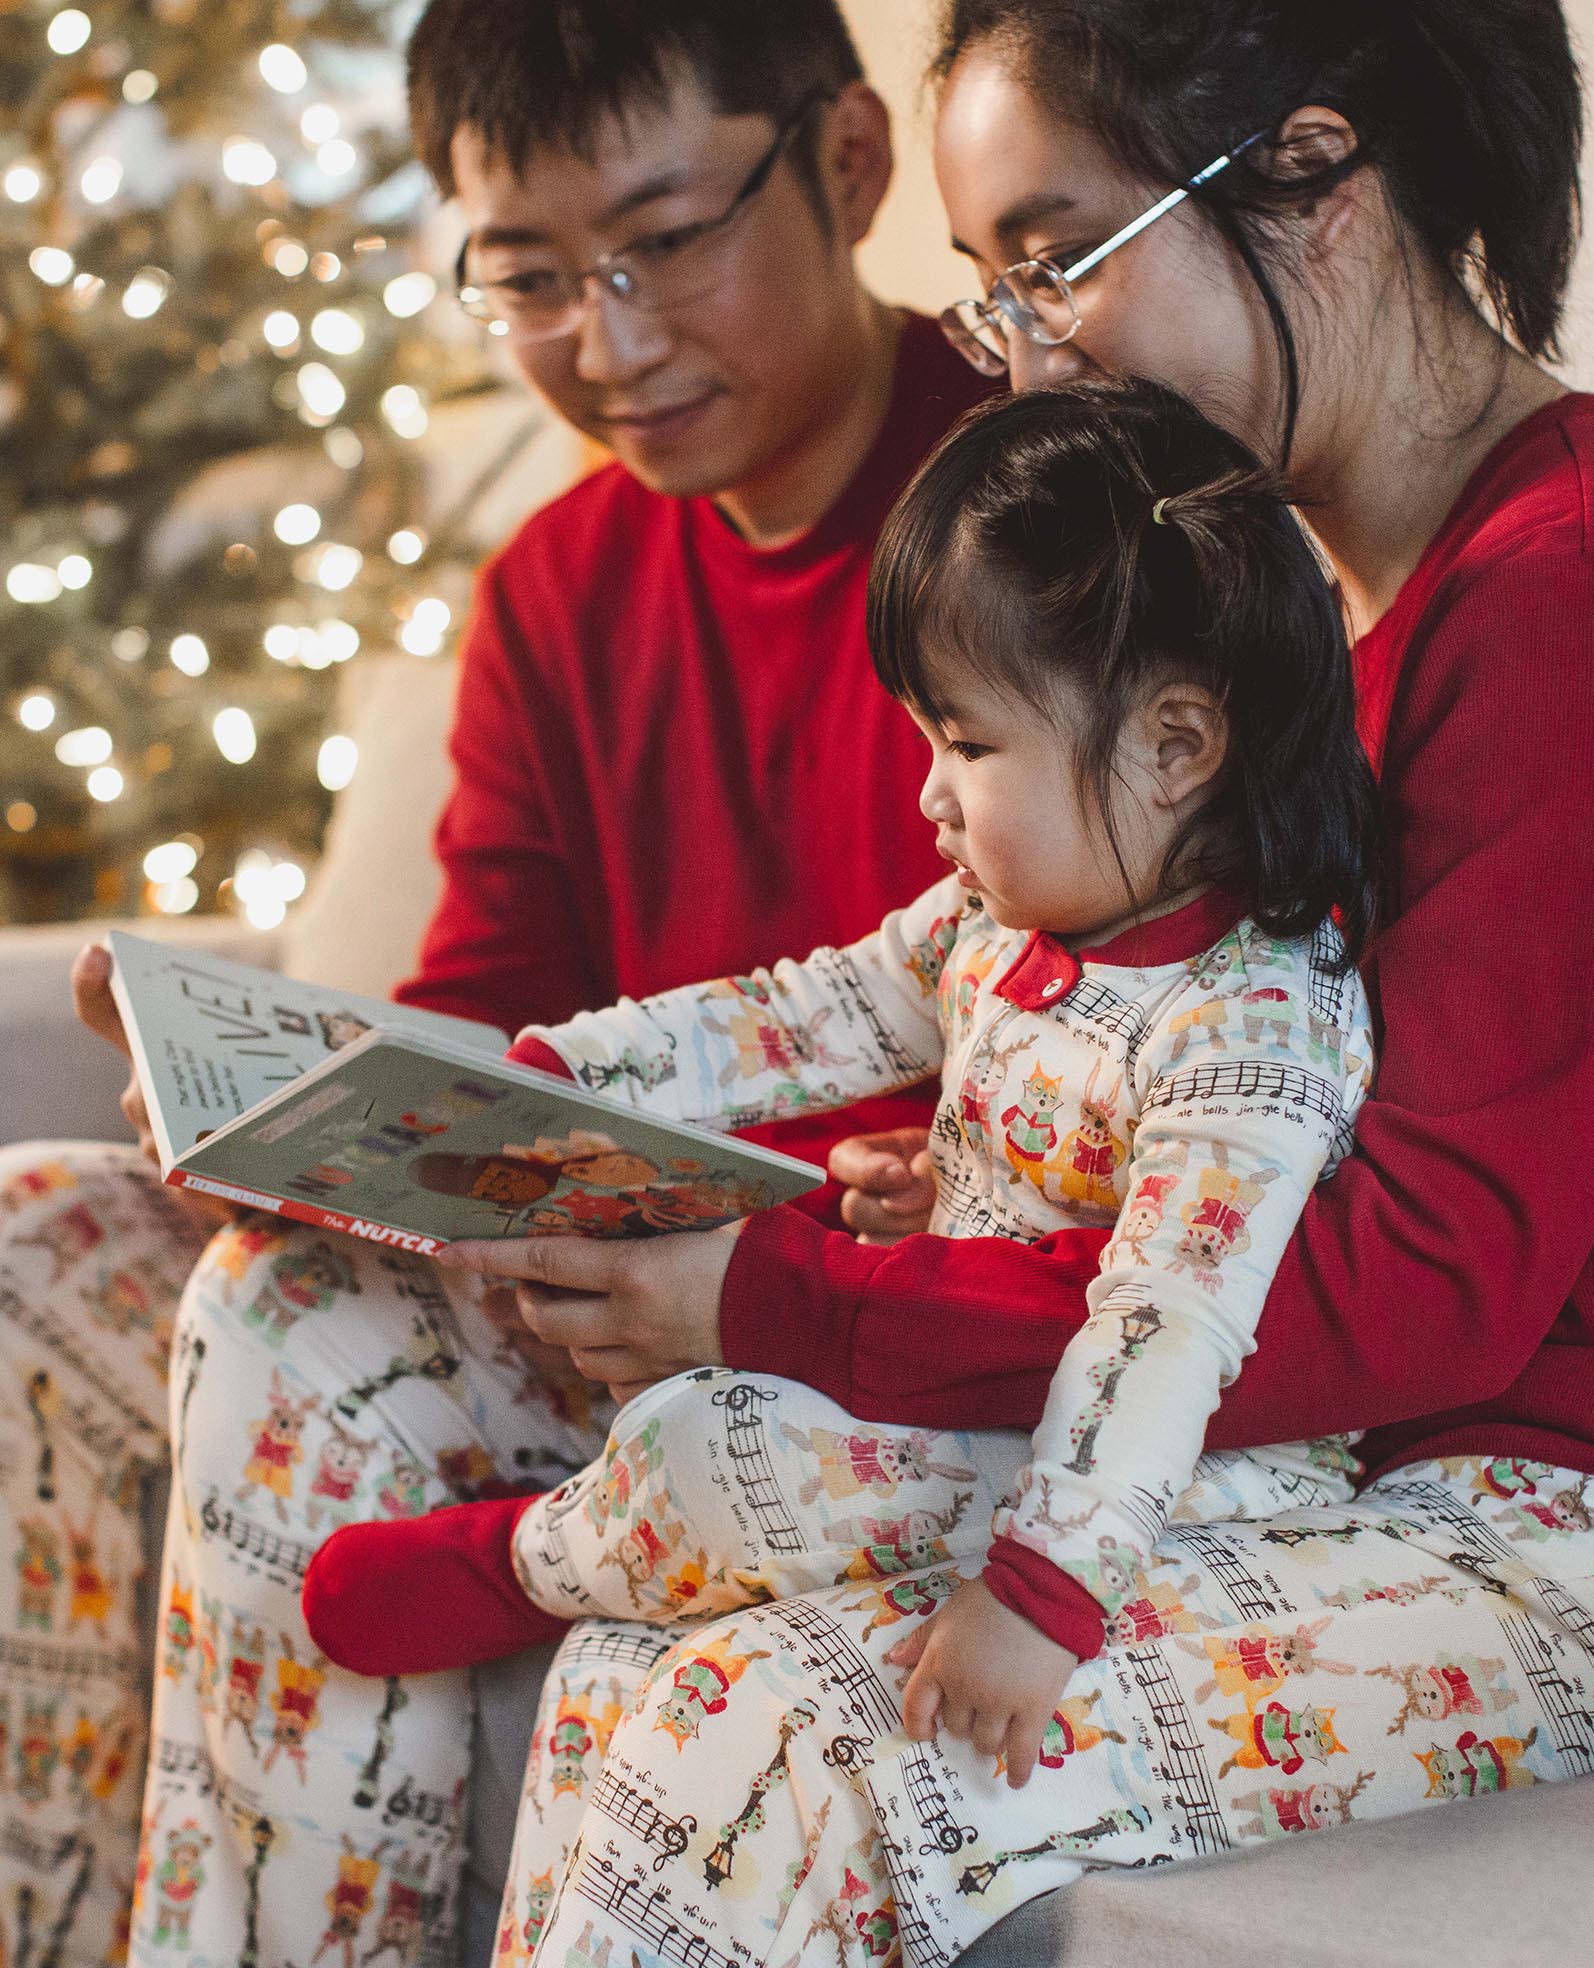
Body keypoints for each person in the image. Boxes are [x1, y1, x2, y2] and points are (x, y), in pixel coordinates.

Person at [465, 0, 1594, 1963]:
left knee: (767, 1745)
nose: (1020, 364)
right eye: (991, 293)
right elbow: (1292, 1117)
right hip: (1408, 1469)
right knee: (629, 1674)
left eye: (1055, 264)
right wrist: (1019, 1182)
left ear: (1313, 180)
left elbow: (1421, 1280)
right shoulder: (1290, 619)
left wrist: (794, 1305)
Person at [0, 0, 993, 1963]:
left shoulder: (1041, 520)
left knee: (299, 1339)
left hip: (878, 1337)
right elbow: (486, 1012)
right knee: (38, 1235)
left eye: (659, 246)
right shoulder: (561, 582)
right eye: (527, 276)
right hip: (596, 1280)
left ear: (851, 160)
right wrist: (277, 1101)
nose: (604, 345)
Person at [298, 379, 1382, 1783]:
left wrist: (1041, 1602)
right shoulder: (996, 924)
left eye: (971, 745)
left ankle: (528, 1560)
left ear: (1176, 746)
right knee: (732, 1388)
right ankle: (575, 1534)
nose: (930, 795)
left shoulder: (1255, 1021)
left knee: (732, 1436)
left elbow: (1165, 1335)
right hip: (977, 1387)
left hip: (1185, 1483)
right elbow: (799, 1016)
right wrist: (557, 1070)